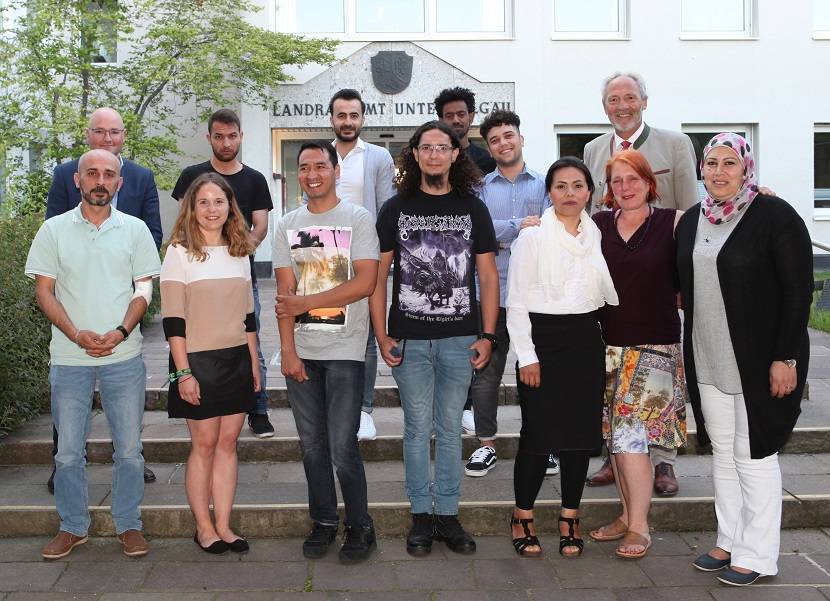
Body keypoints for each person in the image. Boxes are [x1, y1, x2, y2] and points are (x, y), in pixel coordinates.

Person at [676, 133, 812, 585]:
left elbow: (797, 291)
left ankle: (758, 554)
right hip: (708, 356)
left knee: (753, 455)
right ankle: (729, 539)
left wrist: (786, 357)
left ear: (746, 168)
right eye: (710, 162)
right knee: (723, 455)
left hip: (760, 360)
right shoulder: (693, 219)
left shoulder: (774, 215)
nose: (718, 172)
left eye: (728, 163)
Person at [370, 121, 499, 557]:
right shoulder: (395, 208)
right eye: (426, 148)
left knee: (448, 430)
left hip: (460, 338)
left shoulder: (473, 208)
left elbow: (485, 275)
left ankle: (447, 515)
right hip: (409, 339)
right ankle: (420, 516)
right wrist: (381, 333)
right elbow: (379, 275)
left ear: (455, 154)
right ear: (415, 154)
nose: (434, 155)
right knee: (415, 429)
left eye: (441, 148)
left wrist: (488, 334)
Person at [26, 149, 160, 560]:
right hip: (69, 357)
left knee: (129, 450)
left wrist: (120, 332)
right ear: (77, 181)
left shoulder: (136, 230)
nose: (100, 181)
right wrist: (76, 333)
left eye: (109, 175)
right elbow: (43, 291)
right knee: (67, 452)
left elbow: (144, 290)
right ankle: (72, 527)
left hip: (124, 355)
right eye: (92, 174)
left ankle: (129, 524)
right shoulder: (52, 230)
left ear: (119, 183)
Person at [583, 72, 698, 495]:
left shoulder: (674, 143)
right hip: (614, 275)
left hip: (657, 273)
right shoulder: (594, 149)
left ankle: (663, 463)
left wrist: (685, 280)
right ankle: (617, 459)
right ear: (605, 106)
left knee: (656, 375)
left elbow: (692, 208)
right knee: (615, 381)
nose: (622, 105)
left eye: (629, 97)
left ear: (644, 102)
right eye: (613, 98)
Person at [506, 157, 618, 558]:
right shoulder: (533, 238)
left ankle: (570, 517)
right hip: (543, 342)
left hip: (585, 341)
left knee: (578, 439)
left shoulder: (596, 234)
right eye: (560, 186)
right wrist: (526, 357)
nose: (569, 194)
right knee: (537, 437)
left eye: (577, 186)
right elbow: (515, 303)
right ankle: (523, 516)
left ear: (589, 191)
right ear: (548, 193)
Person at [273, 141, 380, 562]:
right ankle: (324, 521)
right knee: (311, 445)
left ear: (336, 171)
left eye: (321, 165)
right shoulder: (287, 224)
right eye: (304, 167)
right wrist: (286, 350)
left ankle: (360, 525)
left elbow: (365, 282)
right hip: (302, 349)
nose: (313, 173)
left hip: (345, 348)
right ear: (298, 174)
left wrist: (305, 304)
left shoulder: (357, 219)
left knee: (341, 445)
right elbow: (284, 294)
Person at [45, 106, 161, 491]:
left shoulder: (141, 178)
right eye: (100, 131)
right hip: (73, 317)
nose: (107, 139)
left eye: (114, 132)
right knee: (68, 430)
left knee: (127, 427)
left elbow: (153, 234)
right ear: (87, 135)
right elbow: (54, 232)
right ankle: (62, 467)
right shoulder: (64, 175)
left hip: (124, 307)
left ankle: (132, 467)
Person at [588, 149, 687, 560]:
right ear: (609, 189)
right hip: (609, 346)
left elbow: (724, 218)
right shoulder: (597, 226)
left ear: (649, 183)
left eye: (633, 179)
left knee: (632, 442)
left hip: (654, 348)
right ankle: (627, 515)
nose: (625, 188)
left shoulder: (675, 222)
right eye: (617, 181)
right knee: (617, 439)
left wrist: (757, 194)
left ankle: (640, 528)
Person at [161, 172, 259, 555]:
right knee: (203, 444)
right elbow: (173, 320)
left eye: (219, 201)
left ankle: (224, 525)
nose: (212, 209)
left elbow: (249, 317)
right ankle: (203, 527)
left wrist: (254, 363)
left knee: (229, 443)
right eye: (203, 202)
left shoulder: (240, 250)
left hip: (236, 359)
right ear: (191, 207)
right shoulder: (178, 252)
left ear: (229, 205)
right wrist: (182, 372)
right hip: (196, 362)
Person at [172, 109, 275, 439]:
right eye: (219, 136)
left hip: (239, 276)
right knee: (192, 331)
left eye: (232, 136)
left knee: (249, 337)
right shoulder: (191, 175)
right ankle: (194, 389)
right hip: (197, 276)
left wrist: (237, 249)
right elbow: (183, 221)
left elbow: (260, 225)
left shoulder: (255, 179)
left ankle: (258, 410)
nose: (226, 142)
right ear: (209, 138)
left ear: (241, 137)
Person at [461, 110, 547, 479]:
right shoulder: (479, 189)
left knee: (537, 372)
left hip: (536, 295)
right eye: (494, 140)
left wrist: (499, 236)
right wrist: (517, 226)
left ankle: (543, 446)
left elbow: (549, 231)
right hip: (489, 295)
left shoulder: (546, 185)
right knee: (485, 372)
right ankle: (486, 445)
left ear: (520, 138)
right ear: (489, 147)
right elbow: (472, 231)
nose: (503, 143)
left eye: (508, 136)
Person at [328, 88, 396, 441]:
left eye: (354, 115)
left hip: (365, 255)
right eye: (342, 115)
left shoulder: (378, 157)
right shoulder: (321, 156)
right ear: (332, 119)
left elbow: (386, 208)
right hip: (326, 255)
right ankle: (336, 405)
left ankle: (364, 409)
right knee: (331, 330)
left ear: (362, 118)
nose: (348, 121)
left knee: (367, 334)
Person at [435, 87, 497, 175]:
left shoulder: (487, 160)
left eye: (461, 114)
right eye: (449, 116)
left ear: (471, 117)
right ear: (441, 120)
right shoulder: (433, 159)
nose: (456, 120)